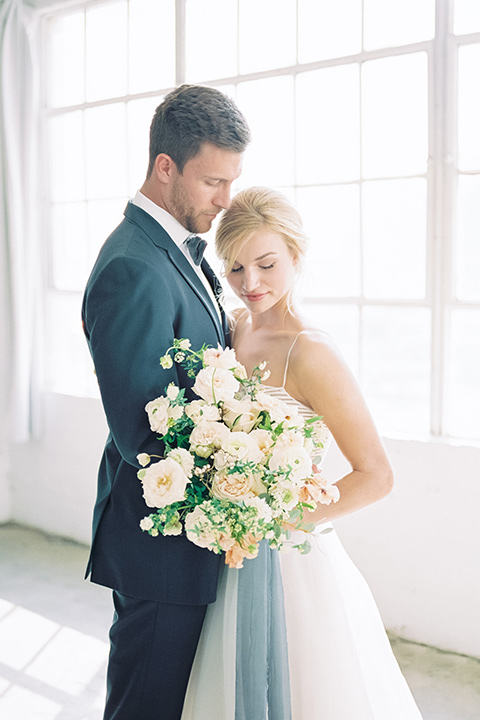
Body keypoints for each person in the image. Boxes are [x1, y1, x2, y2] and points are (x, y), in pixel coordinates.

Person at [181, 186, 423, 719]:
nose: (251, 284)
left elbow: (377, 475)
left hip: (289, 559)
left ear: (296, 253)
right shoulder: (236, 325)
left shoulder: (310, 350)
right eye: (236, 269)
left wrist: (274, 518)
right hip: (226, 553)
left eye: (266, 264)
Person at [81, 84, 250, 720]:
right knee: (145, 705)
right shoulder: (132, 265)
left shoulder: (173, 250)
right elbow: (141, 430)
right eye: (212, 181)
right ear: (165, 166)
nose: (225, 200)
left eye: (232, 182)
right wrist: (244, 475)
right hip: (160, 543)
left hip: (191, 535)